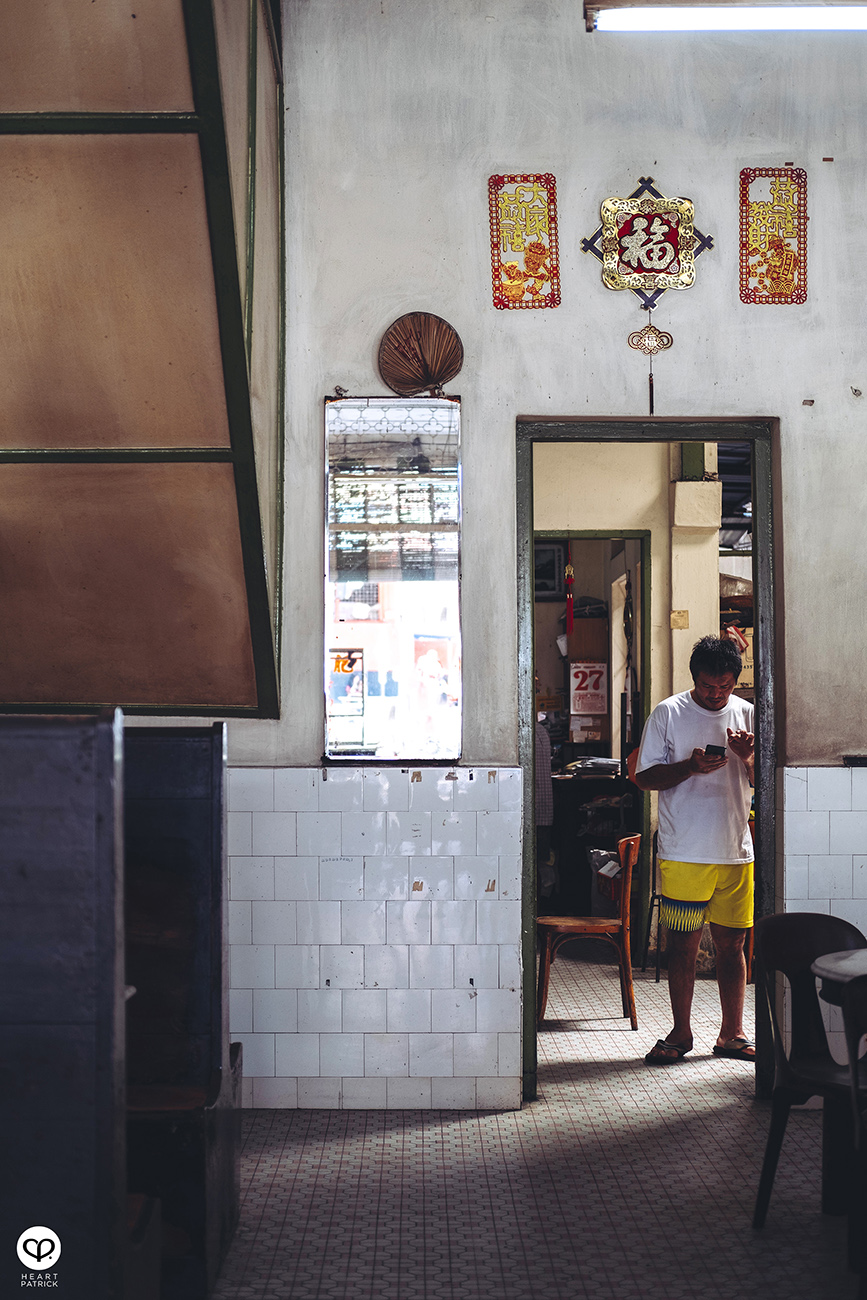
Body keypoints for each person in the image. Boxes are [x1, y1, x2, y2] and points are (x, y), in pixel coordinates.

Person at [633, 635, 755, 1065]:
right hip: (684, 851)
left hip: (735, 852)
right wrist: (690, 766)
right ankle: (680, 1034)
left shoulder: (749, 714)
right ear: (694, 679)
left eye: (724, 686)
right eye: (707, 686)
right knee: (682, 946)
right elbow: (644, 778)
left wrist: (748, 758)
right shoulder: (669, 712)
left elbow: (765, 784)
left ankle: (732, 1034)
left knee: (732, 946)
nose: (716, 694)